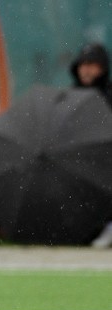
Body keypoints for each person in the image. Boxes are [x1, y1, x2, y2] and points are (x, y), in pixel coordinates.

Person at [69, 42, 112, 248]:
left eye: (92, 64)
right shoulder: (69, 97)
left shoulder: (108, 96)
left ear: (102, 68)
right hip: (76, 160)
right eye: (83, 64)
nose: (86, 69)